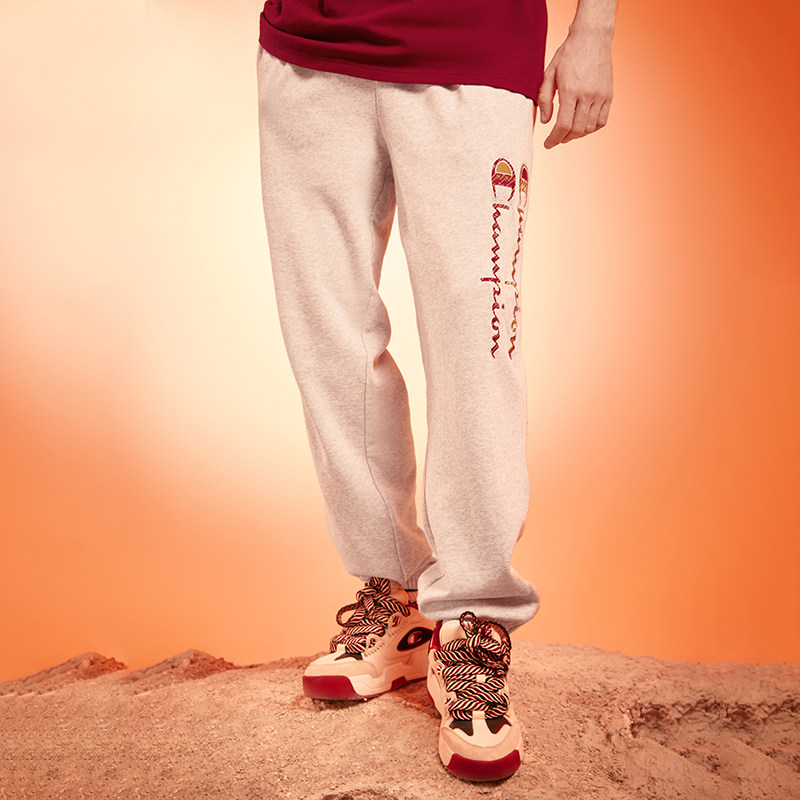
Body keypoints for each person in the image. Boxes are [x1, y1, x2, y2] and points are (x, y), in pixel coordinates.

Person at [256, 0, 617, 782]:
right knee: (327, 340)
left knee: (476, 345)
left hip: (471, 43)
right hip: (308, 45)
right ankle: (397, 598)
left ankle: (477, 619)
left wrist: (596, 28)